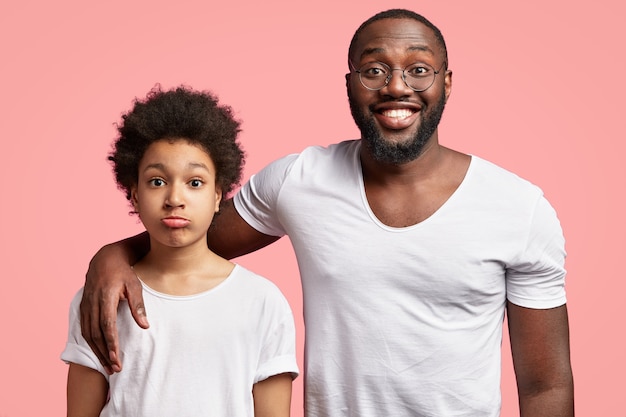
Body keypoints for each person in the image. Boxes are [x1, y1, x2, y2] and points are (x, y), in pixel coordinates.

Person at [80, 9, 574, 417]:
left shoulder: (519, 209)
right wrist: (111, 255)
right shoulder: (299, 180)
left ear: (446, 82)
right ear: (350, 84)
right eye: (374, 70)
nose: (396, 86)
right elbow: (188, 240)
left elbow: (545, 386)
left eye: (419, 69)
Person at [61, 86, 298, 417]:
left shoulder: (261, 301)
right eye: (157, 181)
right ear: (134, 195)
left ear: (218, 195)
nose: (175, 198)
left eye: (195, 182)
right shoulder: (103, 296)